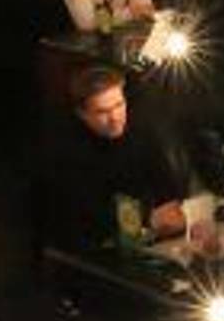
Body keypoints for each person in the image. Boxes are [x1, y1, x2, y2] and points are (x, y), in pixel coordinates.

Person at [34, 64, 187, 253]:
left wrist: (170, 204)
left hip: (147, 233)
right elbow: (92, 218)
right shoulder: (66, 152)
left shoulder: (140, 128)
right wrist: (149, 218)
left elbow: (165, 180)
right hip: (95, 247)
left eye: (119, 105)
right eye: (102, 111)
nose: (115, 117)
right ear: (82, 114)